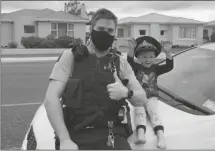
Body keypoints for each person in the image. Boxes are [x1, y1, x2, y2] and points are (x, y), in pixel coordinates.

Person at [44, 8, 147, 150]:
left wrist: (126, 93)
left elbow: (142, 98)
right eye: (101, 29)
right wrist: (64, 139)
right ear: (91, 29)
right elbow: (51, 99)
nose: (105, 33)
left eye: (110, 31)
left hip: (112, 135)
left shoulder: (120, 63)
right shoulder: (70, 57)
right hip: (75, 135)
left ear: (115, 33)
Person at [127, 36, 174, 149]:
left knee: (154, 114)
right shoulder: (137, 68)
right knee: (139, 112)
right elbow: (129, 61)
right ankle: (141, 134)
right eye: (144, 57)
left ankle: (161, 136)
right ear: (138, 57)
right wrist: (131, 49)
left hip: (152, 97)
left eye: (151, 57)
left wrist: (167, 53)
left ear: (155, 58)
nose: (147, 60)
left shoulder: (156, 68)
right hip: (139, 97)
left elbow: (169, 66)